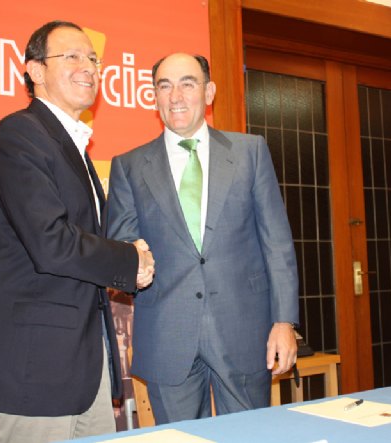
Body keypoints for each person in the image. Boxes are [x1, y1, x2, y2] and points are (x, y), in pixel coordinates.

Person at [0, 20, 154, 443]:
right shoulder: (19, 134)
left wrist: (129, 255)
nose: (88, 66)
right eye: (71, 56)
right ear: (35, 70)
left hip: (84, 364)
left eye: (92, 58)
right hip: (35, 368)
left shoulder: (73, 147)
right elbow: (50, 242)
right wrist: (130, 260)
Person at [106, 52, 299, 424]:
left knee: (251, 435)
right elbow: (122, 244)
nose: (175, 96)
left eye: (187, 84)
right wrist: (131, 260)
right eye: (164, 86)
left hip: (245, 332)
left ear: (209, 93)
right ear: (154, 96)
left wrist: (284, 322)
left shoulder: (250, 152)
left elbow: (276, 243)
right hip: (167, 334)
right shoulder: (129, 166)